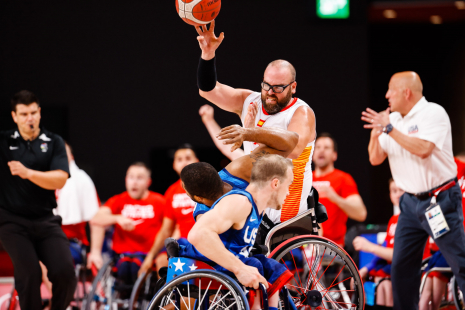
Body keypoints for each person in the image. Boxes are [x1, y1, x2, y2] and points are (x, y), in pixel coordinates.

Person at [362, 71, 465, 310]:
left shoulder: (433, 113)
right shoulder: (393, 120)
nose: (386, 95)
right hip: (409, 204)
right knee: (401, 268)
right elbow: (375, 158)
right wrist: (376, 132)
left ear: (406, 92)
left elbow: (424, 149)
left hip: (440, 200)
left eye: (391, 89)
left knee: (459, 262)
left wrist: (388, 128)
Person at [195, 21, 316, 223]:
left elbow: (292, 149)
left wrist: (249, 132)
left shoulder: (301, 113)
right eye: (266, 85)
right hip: (255, 193)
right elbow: (208, 91)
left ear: (293, 87)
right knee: (208, 201)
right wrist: (208, 55)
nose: (270, 92)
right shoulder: (250, 100)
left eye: (278, 88)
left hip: (286, 201)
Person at [179, 155, 295, 310]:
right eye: (289, 185)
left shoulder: (254, 204)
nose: (288, 193)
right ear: (275, 183)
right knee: (253, 264)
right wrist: (239, 269)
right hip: (206, 260)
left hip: (232, 256)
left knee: (271, 267)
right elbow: (197, 234)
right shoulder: (240, 202)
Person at [0, 90, 76, 310]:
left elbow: (60, 180)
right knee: (29, 274)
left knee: (65, 273)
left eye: (33, 112)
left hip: (45, 219)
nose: (29, 118)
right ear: (14, 116)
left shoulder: (54, 142)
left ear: (40, 113)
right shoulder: (4, 141)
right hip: (11, 222)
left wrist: (28, 173)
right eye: (23, 114)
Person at [88, 162, 166, 286]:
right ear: (126, 180)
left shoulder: (160, 201)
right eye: (131, 177)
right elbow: (96, 219)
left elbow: (171, 227)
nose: (134, 182)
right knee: (126, 268)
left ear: (148, 182)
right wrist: (117, 218)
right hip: (123, 256)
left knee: (143, 269)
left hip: (149, 256)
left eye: (139, 178)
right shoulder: (118, 200)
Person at [138, 144, 199, 275]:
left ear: (197, 162)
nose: (184, 162)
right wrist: (150, 257)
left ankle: (186, 294)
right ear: (174, 165)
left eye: (188, 158)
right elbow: (166, 230)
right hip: (184, 244)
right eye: (179, 159)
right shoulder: (172, 192)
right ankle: (171, 295)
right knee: (161, 259)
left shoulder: (207, 184)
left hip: (203, 240)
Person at [419, 156, 465, 310]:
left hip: (456, 242)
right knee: (430, 276)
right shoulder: (439, 172)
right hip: (444, 242)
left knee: (436, 272)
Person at [353, 179, 405, 309]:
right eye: (394, 191)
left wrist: (369, 246)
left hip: (406, 269)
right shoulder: (393, 220)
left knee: (384, 284)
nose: (398, 194)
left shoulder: (410, 219)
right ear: (390, 195)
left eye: (401, 190)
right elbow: (386, 248)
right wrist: (366, 268)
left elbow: (399, 255)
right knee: (360, 280)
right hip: (391, 270)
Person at [312, 132, 367, 246]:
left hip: (332, 247)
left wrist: (336, 198)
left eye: (326, 148)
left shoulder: (343, 178)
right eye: (318, 147)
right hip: (303, 246)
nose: (321, 150)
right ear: (312, 154)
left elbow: (361, 214)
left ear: (334, 155)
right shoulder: (304, 179)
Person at [56, 142, 100, 252]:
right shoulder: (40, 179)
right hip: (43, 239)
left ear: (71, 157)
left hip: (71, 241)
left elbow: (96, 218)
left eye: (63, 154)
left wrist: (95, 252)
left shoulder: (82, 180)